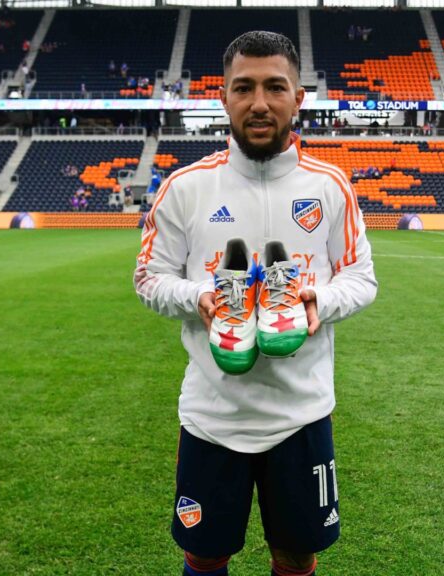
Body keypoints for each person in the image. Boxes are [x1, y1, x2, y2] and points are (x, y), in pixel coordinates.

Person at [133, 31, 377, 576]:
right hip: (213, 416)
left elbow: (362, 278)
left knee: (296, 552)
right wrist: (199, 295)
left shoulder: (331, 186)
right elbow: (149, 279)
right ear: (224, 97)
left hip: (301, 413)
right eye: (243, 88)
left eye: (274, 87)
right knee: (206, 552)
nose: (259, 102)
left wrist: (321, 299)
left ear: (298, 97)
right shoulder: (186, 188)